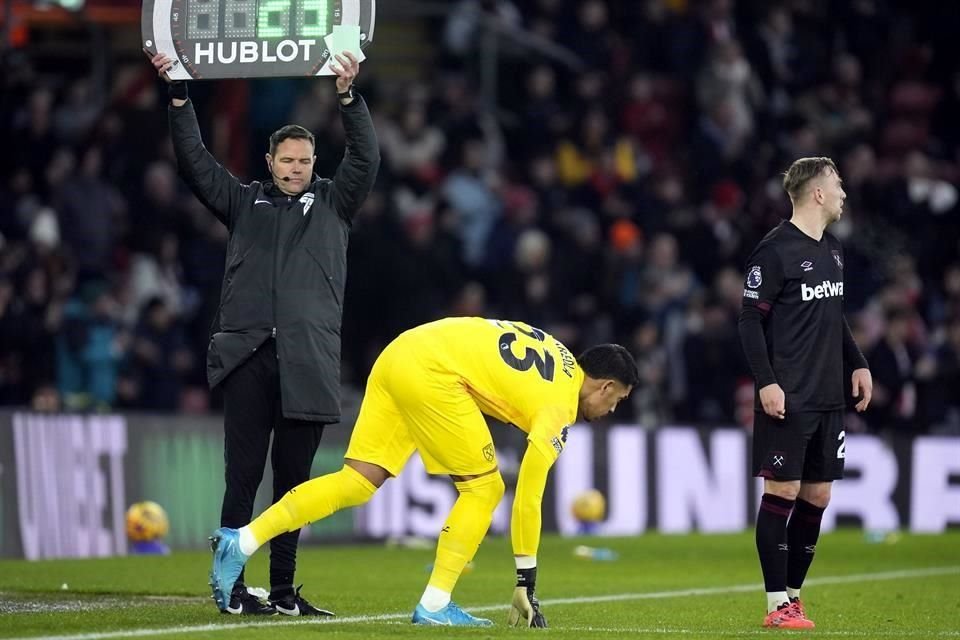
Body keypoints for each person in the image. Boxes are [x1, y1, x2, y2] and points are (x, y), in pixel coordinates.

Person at [208, 317, 639, 626]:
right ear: (603, 386)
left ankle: (241, 540)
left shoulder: (557, 353)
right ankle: (435, 603)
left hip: (401, 352)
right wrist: (526, 580)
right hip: (434, 373)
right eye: (615, 399)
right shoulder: (560, 406)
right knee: (486, 489)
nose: (610, 409)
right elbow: (529, 493)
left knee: (358, 481)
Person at [148, 51, 380, 616]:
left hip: (308, 360)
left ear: (313, 161)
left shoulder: (334, 201)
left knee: (295, 485)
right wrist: (179, 99)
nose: (296, 167)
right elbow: (196, 163)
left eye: (304, 160)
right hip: (249, 355)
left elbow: (367, 157)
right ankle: (229, 587)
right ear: (270, 160)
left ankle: (280, 592)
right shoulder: (242, 200)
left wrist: (349, 98)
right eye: (287, 159)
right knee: (243, 477)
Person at [738, 157, 873, 629]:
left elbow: (832, 317)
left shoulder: (833, 249)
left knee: (817, 496)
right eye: (836, 184)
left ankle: (794, 598)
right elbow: (750, 319)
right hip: (789, 394)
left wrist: (856, 363)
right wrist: (767, 381)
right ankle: (777, 604)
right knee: (784, 489)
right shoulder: (774, 252)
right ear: (816, 193)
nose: (842, 192)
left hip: (828, 395)